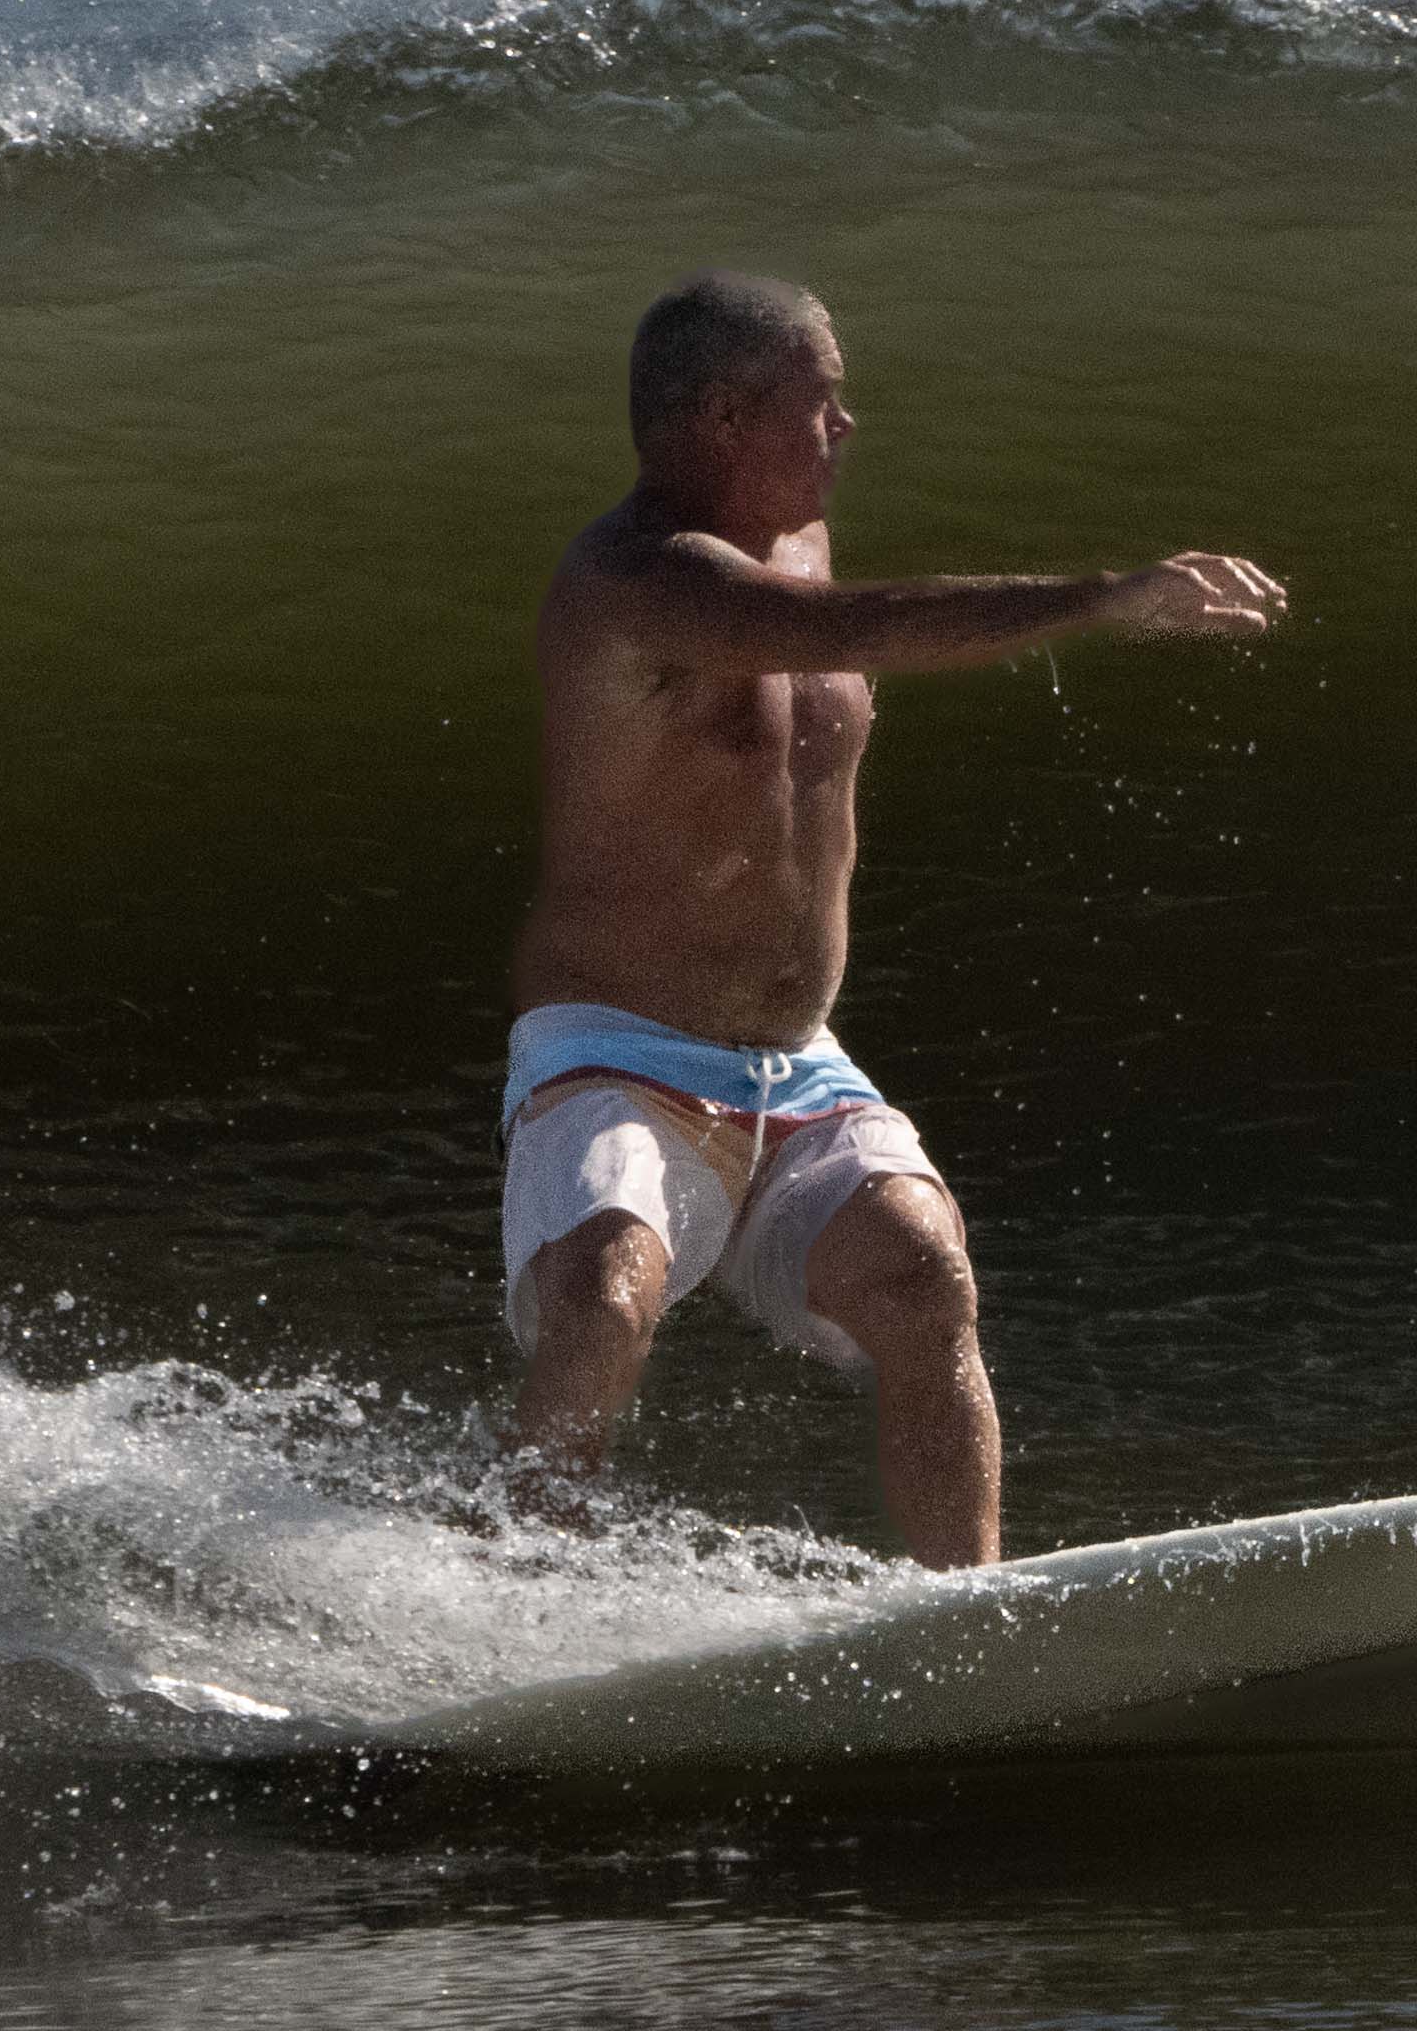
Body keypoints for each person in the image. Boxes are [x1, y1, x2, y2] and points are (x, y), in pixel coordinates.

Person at [500, 268, 1283, 1563]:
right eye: (820, 401)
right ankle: (516, 1579)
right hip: (618, 1054)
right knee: (604, 1292)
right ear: (724, 419)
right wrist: (1098, 597)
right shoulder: (635, 579)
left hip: (794, 1061)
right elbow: (858, 625)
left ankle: (967, 1615)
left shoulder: (794, 537)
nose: (846, 426)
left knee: (925, 1277)